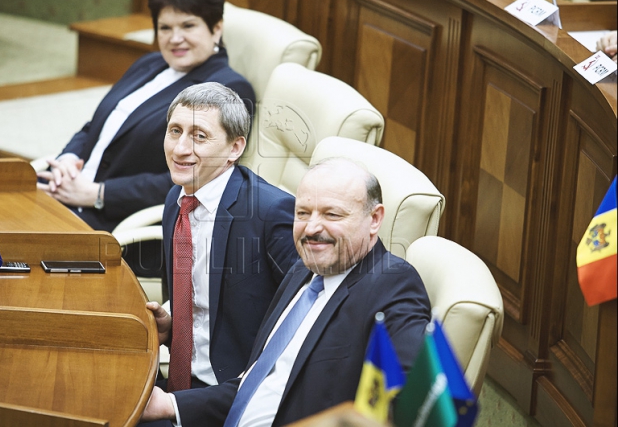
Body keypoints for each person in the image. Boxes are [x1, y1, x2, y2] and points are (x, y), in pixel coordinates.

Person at [141, 158, 432, 426]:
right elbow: (256, 384)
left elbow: (406, 403)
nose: (312, 228)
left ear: (375, 219)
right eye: (303, 213)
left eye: (332, 214)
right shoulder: (305, 270)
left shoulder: (393, 285)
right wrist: (170, 403)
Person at [37, 0, 255, 277]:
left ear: (216, 27)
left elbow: (197, 177)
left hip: (120, 225)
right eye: (165, 28)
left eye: (188, 25)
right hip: (68, 195)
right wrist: (68, 160)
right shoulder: (150, 63)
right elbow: (95, 126)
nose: (174, 38)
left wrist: (97, 194)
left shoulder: (226, 89)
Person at [145, 82, 298, 401]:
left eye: (199, 136)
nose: (180, 149)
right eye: (175, 131)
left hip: (237, 391)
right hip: (177, 376)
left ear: (235, 148)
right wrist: (172, 325)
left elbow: (300, 322)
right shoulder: (178, 197)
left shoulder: (271, 213)